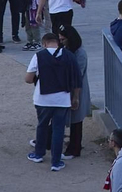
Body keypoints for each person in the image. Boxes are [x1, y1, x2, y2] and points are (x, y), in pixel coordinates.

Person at [27, 31, 82, 170]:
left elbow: (28, 78)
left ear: (44, 43)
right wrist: (75, 98)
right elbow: (77, 80)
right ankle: (56, 162)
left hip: (43, 99)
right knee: (58, 129)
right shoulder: (69, 56)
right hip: (62, 100)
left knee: (42, 126)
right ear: (58, 42)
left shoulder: (39, 56)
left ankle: (39, 154)